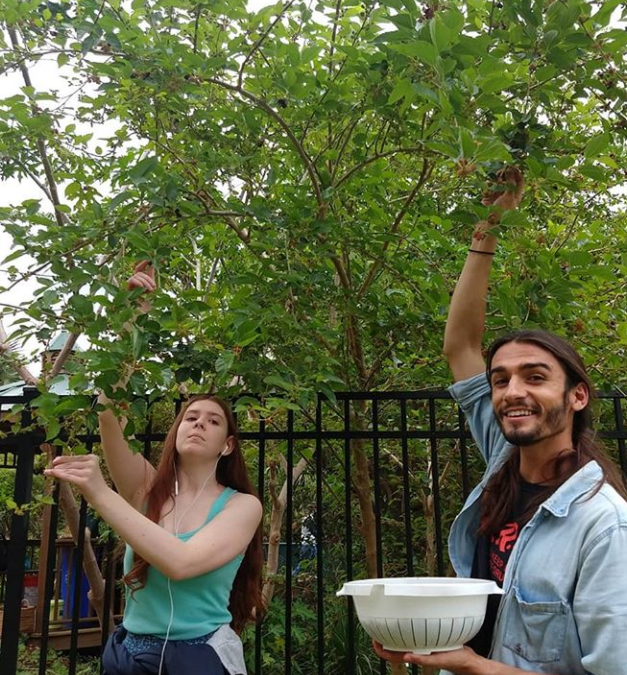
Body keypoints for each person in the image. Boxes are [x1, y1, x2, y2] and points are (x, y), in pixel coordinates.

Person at [374, 169, 627, 674]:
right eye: (501, 379)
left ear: (577, 396)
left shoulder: (604, 528)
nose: (513, 391)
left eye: (535, 377)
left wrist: (474, 667)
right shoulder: (504, 456)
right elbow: (460, 346)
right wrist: (487, 224)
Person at [45, 262, 264, 675]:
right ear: (176, 430)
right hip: (127, 653)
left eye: (213, 421)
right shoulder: (147, 487)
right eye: (191, 416)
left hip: (197, 657)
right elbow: (111, 412)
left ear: (228, 445)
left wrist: (101, 492)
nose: (199, 422)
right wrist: (131, 320)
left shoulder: (242, 506)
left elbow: (179, 563)